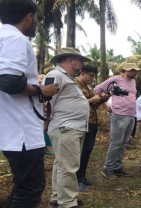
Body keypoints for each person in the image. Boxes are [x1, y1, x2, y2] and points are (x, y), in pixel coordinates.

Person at [0, 1, 59, 207]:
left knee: (22, 185)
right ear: (28, 15)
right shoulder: (15, 39)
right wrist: (40, 90)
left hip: (12, 126)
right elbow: (8, 80)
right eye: (36, 18)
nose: (36, 23)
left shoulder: (3, 37)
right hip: (20, 130)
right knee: (30, 188)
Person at [45, 47, 91, 207]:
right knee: (68, 166)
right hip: (65, 127)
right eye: (80, 60)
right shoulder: (55, 75)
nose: (82, 64)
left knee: (62, 164)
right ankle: (68, 203)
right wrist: (44, 125)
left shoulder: (67, 77)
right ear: (70, 60)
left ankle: (58, 197)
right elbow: (46, 103)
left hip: (71, 127)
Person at [94, 63, 140, 180]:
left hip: (131, 115)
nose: (135, 73)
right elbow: (97, 89)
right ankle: (107, 168)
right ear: (124, 70)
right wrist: (104, 104)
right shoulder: (115, 80)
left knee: (124, 143)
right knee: (116, 143)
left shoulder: (133, 82)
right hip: (119, 114)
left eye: (136, 71)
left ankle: (117, 166)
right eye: (133, 70)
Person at [76, 65, 109, 192]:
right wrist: (92, 100)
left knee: (87, 150)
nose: (92, 79)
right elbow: (77, 103)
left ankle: (82, 176)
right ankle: (77, 179)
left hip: (92, 121)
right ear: (83, 73)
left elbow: (93, 106)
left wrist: (102, 99)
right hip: (82, 122)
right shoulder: (75, 85)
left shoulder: (86, 87)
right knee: (81, 151)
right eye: (91, 76)